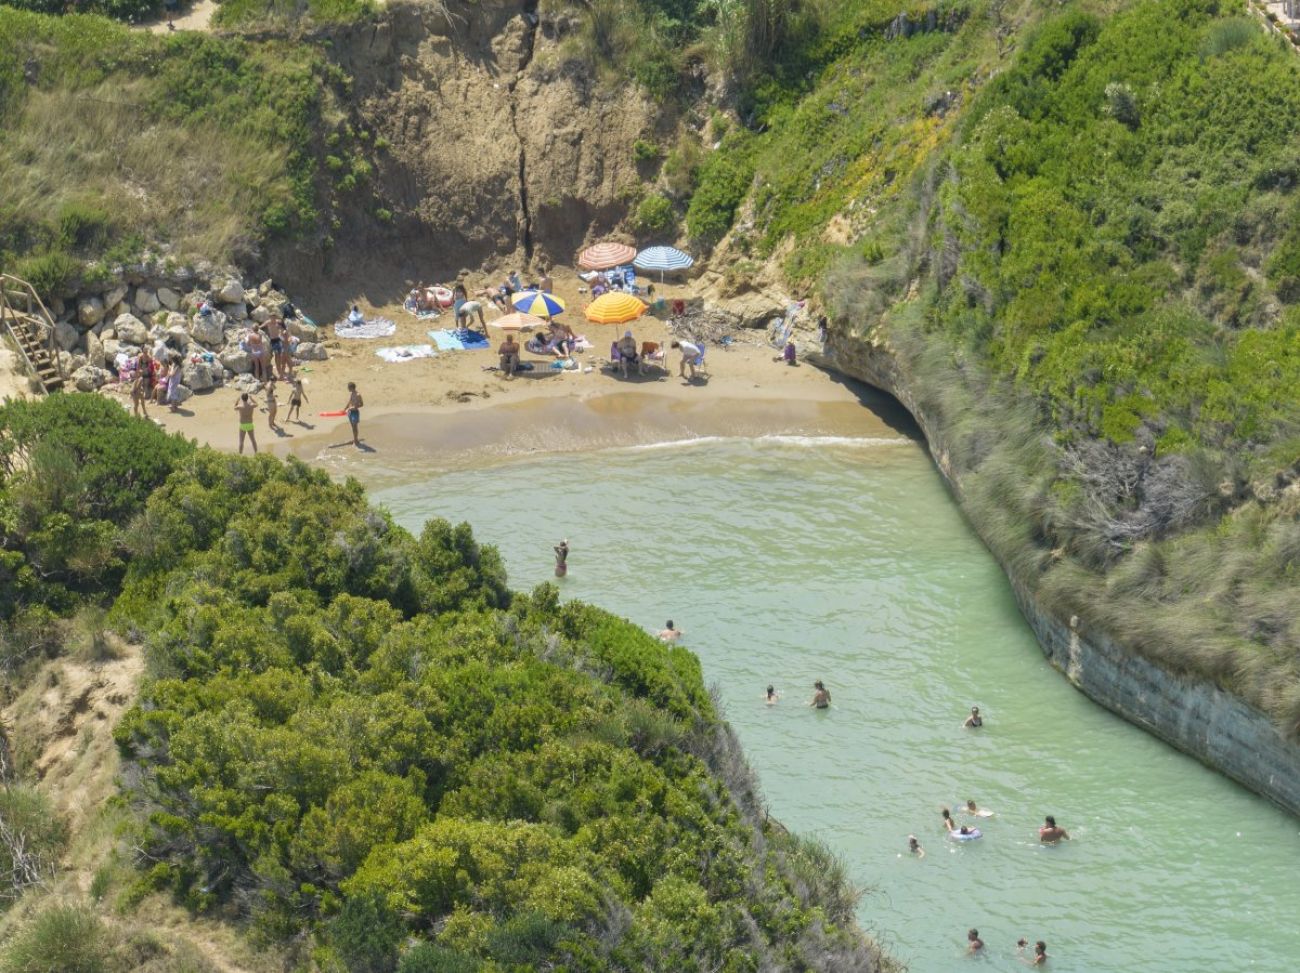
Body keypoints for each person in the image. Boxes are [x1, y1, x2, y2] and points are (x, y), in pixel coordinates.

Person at [131, 348, 154, 418]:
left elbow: (150, 366)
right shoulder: (140, 378)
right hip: (136, 392)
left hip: (137, 391)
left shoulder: (149, 358)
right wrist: (136, 392)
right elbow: (136, 387)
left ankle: (144, 412)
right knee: (136, 404)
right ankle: (136, 415)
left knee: (142, 402)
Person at [342, 382, 363, 447]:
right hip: (350, 412)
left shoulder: (358, 395)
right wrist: (345, 408)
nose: (347, 389)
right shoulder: (352, 393)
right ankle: (355, 439)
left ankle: (356, 441)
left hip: (355, 412)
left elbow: (361, 404)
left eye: (348, 388)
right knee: (352, 427)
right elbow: (349, 402)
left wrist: (354, 407)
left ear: (351, 388)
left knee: (355, 427)